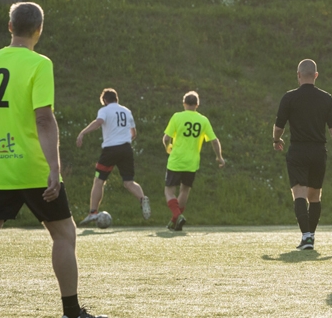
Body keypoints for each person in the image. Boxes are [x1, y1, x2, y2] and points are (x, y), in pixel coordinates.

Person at [0, 2, 108, 318]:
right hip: (31, 165)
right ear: (39, 30)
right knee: (64, 234)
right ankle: (71, 314)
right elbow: (44, 118)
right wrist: (54, 168)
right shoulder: (39, 63)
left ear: (10, 26)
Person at [273, 59, 332, 250]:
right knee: (315, 196)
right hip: (318, 152)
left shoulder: (289, 98)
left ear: (298, 75)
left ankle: (306, 236)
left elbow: (279, 127)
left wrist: (276, 140)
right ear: (315, 75)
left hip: (298, 150)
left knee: (299, 194)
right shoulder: (326, 98)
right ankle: (311, 236)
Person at [75, 88, 150, 225]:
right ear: (117, 98)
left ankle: (93, 213)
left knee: (99, 181)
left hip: (110, 150)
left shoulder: (104, 110)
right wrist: (123, 140)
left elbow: (98, 122)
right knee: (129, 182)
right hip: (126, 148)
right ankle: (142, 198)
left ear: (104, 100)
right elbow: (133, 134)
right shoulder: (127, 111)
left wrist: (83, 133)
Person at [162, 91, 225, 231]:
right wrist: (219, 157)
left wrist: (168, 148)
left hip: (176, 160)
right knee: (184, 190)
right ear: (197, 104)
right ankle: (175, 220)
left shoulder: (177, 117)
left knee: (169, 191)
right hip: (192, 163)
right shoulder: (203, 120)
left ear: (184, 103)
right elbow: (214, 141)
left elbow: (166, 138)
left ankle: (177, 215)